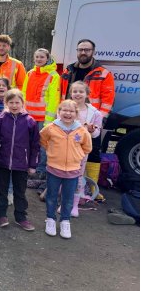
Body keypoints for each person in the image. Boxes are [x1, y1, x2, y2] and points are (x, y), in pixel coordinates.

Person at [58, 39, 115, 186]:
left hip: (91, 120)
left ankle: (91, 186)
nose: (83, 52)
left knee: (93, 152)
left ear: (93, 52)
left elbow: (108, 100)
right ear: (77, 51)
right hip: (69, 119)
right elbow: (61, 94)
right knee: (68, 151)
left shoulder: (103, 73)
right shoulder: (68, 71)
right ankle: (67, 183)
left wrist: (98, 121)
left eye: (87, 50)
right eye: (80, 50)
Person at [39, 100, 92, 239]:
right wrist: (51, 151)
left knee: (68, 199)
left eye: (71, 111)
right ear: (59, 112)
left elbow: (87, 147)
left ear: (76, 114)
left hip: (73, 172)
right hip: (54, 169)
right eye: (65, 110)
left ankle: (65, 221)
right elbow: (42, 139)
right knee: (51, 196)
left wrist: (77, 155)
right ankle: (50, 219)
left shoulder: (82, 131)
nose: (68, 113)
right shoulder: (51, 128)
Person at [0, 89, 40, 231]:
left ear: (22, 103)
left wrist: (32, 165)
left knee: (20, 192)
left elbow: (35, 145)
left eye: (17, 102)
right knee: (1, 190)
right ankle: (1, 215)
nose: (14, 105)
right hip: (2, 161)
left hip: (22, 163)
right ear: (6, 103)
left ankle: (21, 217)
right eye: (11, 102)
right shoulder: (0, 119)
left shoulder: (30, 121)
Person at [23, 48, 61, 179]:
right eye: (37, 57)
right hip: (28, 116)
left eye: (42, 57)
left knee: (42, 145)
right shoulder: (30, 73)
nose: (39, 59)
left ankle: (40, 170)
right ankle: (27, 167)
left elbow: (54, 99)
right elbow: (24, 93)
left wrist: (48, 121)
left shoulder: (54, 75)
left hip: (43, 118)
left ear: (47, 59)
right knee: (27, 143)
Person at [67, 81, 103, 217]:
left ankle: (74, 205)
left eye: (81, 91)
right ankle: (64, 202)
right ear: (71, 93)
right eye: (75, 91)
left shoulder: (95, 113)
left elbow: (96, 134)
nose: (78, 94)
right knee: (64, 175)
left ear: (87, 94)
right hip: (65, 148)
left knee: (78, 176)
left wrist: (92, 130)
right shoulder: (65, 108)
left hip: (81, 151)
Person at [0, 34, 27, 99]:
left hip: (9, 101)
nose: (1, 48)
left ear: (9, 47)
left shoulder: (18, 64)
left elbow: (22, 86)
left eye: (4, 45)